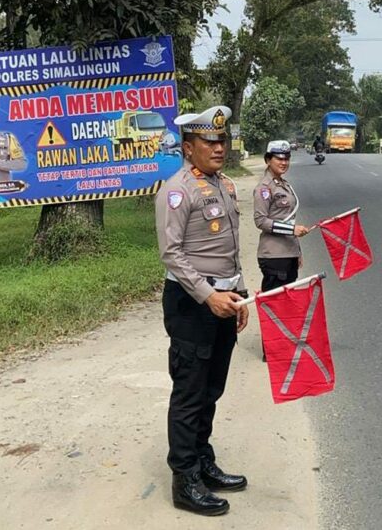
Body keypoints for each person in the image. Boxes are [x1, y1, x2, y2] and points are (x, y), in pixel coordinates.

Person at [155, 105, 249, 517]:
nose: (218, 147)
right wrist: (208, 295)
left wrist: (239, 292)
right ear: (188, 148)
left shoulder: (224, 186)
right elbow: (171, 253)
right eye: (209, 141)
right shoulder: (177, 190)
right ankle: (184, 478)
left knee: (212, 388)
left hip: (225, 300)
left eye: (221, 140)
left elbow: (229, 246)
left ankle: (202, 458)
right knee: (190, 391)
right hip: (192, 304)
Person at [253, 140, 310, 360]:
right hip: (274, 255)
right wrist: (292, 230)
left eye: (286, 158)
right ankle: (272, 351)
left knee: (287, 303)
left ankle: (283, 345)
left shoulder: (283, 184)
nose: (283, 162)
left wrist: (298, 251)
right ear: (268, 160)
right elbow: (260, 220)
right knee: (275, 303)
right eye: (278, 158)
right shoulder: (265, 188)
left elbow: (289, 218)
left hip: (288, 253)